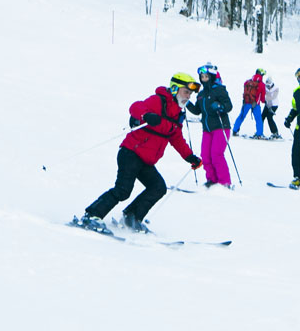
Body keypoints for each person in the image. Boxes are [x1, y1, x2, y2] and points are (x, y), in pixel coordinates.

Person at [78, 73, 202, 232]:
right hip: (131, 153)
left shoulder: (178, 113)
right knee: (123, 190)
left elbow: (176, 138)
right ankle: (91, 216)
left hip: (146, 160)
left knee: (158, 187)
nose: (188, 96)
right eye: (186, 92)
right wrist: (147, 115)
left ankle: (132, 217)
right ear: (174, 89)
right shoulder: (158, 101)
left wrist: (190, 157)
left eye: (190, 94)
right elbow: (135, 107)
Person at [185, 63, 234, 188]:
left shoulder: (219, 89)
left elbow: (228, 106)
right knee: (206, 156)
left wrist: (220, 107)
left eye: (206, 76)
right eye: (202, 76)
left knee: (216, 154)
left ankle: (224, 182)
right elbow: (197, 111)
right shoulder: (201, 94)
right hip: (207, 129)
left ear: (211, 76)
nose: (203, 78)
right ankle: (212, 180)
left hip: (220, 127)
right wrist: (186, 103)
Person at [233, 68, 266, 138]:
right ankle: (259, 134)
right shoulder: (262, 84)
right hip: (255, 104)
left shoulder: (248, 82)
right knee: (258, 119)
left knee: (241, 116)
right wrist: (264, 101)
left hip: (246, 102)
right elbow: (262, 96)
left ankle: (235, 130)